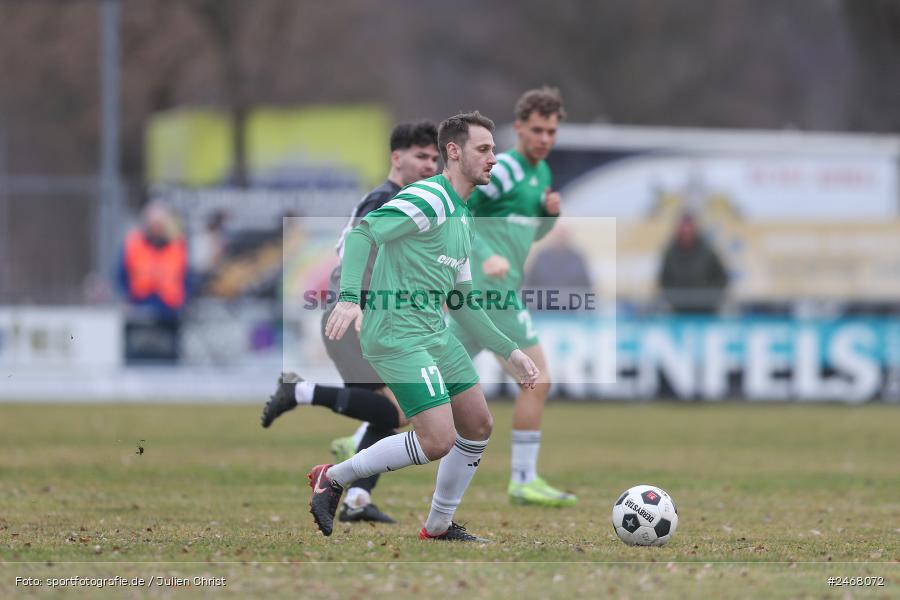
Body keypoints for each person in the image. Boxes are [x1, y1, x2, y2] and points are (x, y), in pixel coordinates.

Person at [309, 111, 539, 541]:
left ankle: (438, 527)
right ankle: (334, 478)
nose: (494, 158)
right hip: (397, 334)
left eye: (495, 149)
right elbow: (363, 234)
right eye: (484, 149)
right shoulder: (429, 198)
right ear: (454, 151)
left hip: (436, 334)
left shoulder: (465, 218)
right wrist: (348, 299)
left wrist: (510, 350)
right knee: (437, 440)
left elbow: (464, 300)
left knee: (478, 424)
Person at [261, 121, 440, 524]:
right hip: (359, 313)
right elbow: (352, 245)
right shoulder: (383, 198)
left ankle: (357, 499)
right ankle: (299, 391)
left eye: (434, 158)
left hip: (379, 315)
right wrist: (355, 302)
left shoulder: (412, 203)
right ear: (397, 158)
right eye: (421, 156)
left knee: (390, 414)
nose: (430, 165)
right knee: (397, 412)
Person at [448, 87, 577, 507]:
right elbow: (459, 207)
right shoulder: (502, 170)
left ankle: (360, 439)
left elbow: (528, 236)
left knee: (433, 378)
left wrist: (547, 218)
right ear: (519, 128)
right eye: (537, 130)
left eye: (551, 131)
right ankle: (523, 479)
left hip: (489, 291)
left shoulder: (540, 175)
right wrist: (484, 255)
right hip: (491, 294)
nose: (544, 139)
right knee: (537, 379)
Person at [118, 201, 188, 362]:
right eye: (153, 223)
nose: (157, 228)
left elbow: (185, 277)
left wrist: (183, 302)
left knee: (168, 361)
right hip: (138, 312)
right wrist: (127, 297)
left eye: (160, 224)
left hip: (169, 314)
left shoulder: (178, 246)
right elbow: (121, 275)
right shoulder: (133, 245)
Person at [658, 213, 729, 314]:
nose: (686, 232)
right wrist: (675, 298)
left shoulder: (708, 251)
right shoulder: (670, 253)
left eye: (689, 228)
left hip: (706, 312)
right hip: (678, 313)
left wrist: (708, 297)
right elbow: (664, 279)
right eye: (684, 229)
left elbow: (722, 278)